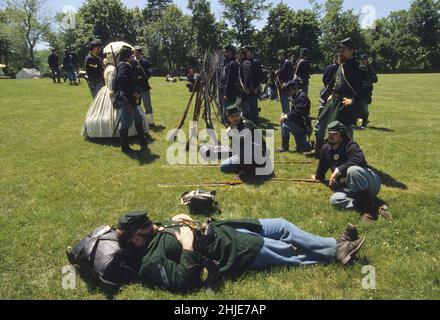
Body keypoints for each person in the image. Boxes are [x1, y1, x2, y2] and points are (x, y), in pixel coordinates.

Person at [115, 211, 366, 293]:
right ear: (137, 239)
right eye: (148, 226)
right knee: (287, 251)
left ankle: (333, 246)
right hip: (229, 250)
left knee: (281, 225)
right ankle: (337, 250)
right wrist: (188, 245)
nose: (154, 225)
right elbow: (183, 282)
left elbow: (166, 228)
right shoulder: (150, 263)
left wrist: (177, 219)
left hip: (228, 230)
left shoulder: (153, 234)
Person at [312, 121, 392, 223]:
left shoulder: (351, 145)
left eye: (334, 134)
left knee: (352, 170)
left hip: (369, 183)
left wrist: (339, 170)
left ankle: (369, 212)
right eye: (329, 133)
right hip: (350, 188)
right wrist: (318, 177)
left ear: (341, 135)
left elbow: (359, 159)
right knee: (335, 200)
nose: (330, 136)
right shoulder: (325, 148)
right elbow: (322, 166)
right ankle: (374, 204)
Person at [305, 37, 371, 159]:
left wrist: (353, 100)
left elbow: (367, 87)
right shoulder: (341, 66)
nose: (340, 53)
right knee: (320, 125)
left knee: (343, 131)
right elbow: (334, 82)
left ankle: (350, 156)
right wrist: (330, 93)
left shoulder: (359, 67)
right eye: (339, 50)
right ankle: (318, 150)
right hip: (333, 102)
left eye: (343, 50)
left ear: (351, 51)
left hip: (343, 105)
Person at [81, 51, 146, 139]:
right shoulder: (112, 69)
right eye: (118, 57)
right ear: (114, 58)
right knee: (124, 116)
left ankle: (139, 138)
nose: (119, 59)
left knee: (132, 115)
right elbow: (112, 85)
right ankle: (125, 140)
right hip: (113, 92)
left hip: (108, 91)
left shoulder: (110, 67)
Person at [220, 104, 272, 177]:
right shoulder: (232, 127)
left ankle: (248, 172)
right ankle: (251, 167)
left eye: (237, 115)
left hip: (260, 154)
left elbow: (243, 139)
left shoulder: (247, 124)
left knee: (243, 147)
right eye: (232, 116)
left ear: (240, 114)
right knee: (224, 166)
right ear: (228, 118)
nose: (235, 118)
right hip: (244, 155)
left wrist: (231, 134)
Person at [115, 46, 148, 153]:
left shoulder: (125, 64)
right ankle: (124, 147)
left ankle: (142, 140)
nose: (133, 55)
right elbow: (121, 79)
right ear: (128, 55)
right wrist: (133, 92)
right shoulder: (124, 65)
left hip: (128, 98)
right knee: (125, 122)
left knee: (138, 117)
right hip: (126, 99)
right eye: (131, 54)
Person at [276, 79, 313, 153]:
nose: (288, 94)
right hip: (299, 124)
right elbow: (294, 113)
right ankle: (285, 146)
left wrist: (286, 115)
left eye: (288, 92)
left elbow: (298, 112)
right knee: (300, 148)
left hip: (303, 126)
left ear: (292, 89)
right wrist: (286, 115)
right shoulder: (296, 96)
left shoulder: (302, 97)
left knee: (285, 121)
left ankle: (284, 147)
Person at [131, 46, 155, 128]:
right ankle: (138, 122)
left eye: (138, 52)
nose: (137, 53)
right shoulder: (131, 62)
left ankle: (150, 122)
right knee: (136, 105)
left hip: (144, 86)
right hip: (135, 87)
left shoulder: (145, 62)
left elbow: (150, 72)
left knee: (147, 105)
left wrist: (143, 78)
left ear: (141, 53)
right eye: (135, 52)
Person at [356, 54, 378, 129]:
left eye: (365, 59)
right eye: (362, 59)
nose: (364, 61)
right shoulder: (358, 67)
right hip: (357, 90)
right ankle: (354, 122)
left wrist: (368, 79)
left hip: (366, 91)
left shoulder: (370, 68)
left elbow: (375, 79)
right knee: (356, 107)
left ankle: (364, 124)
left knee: (365, 108)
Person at [220, 45, 239, 119]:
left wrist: (226, 94)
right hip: (226, 91)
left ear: (230, 53)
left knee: (229, 113)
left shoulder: (232, 64)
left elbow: (230, 81)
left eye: (225, 52)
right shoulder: (229, 63)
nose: (224, 54)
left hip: (229, 93)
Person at [276, 49, 295, 115]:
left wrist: (287, 83)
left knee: (285, 101)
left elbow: (291, 75)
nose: (278, 57)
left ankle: (287, 114)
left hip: (285, 85)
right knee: (282, 101)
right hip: (280, 85)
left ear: (282, 55)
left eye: (279, 55)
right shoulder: (281, 63)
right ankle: (284, 113)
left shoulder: (287, 63)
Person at [238, 46, 254, 120]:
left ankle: (248, 123)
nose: (239, 55)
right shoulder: (242, 62)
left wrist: (246, 87)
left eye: (240, 54)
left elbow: (248, 76)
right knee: (243, 107)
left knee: (245, 108)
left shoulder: (245, 62)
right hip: (242, 88)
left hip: (244, 89)